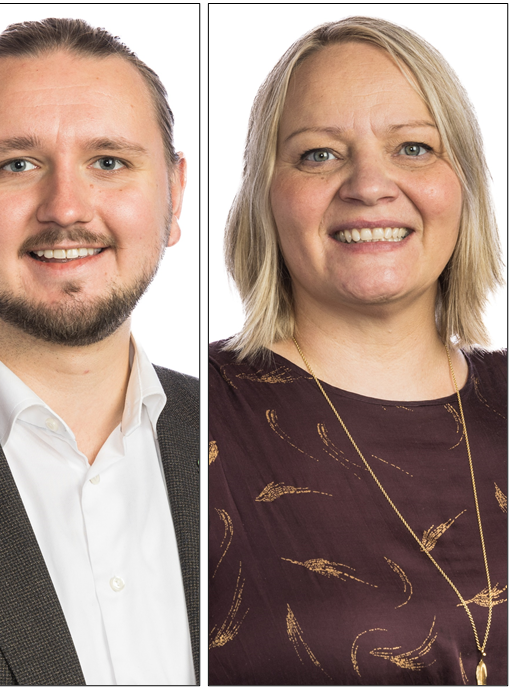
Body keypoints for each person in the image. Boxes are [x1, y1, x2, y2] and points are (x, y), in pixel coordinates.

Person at [0, 18, 199, 685]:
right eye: (17, 165)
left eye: (108, 162)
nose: (66, 208)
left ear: (174, 194)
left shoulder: (254, 443)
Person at [209, 16, 506, 685]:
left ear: (464, 186)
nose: (369, 184)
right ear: (264, 197)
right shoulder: (182, 418)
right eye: (318, 154)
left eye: (413, 148)